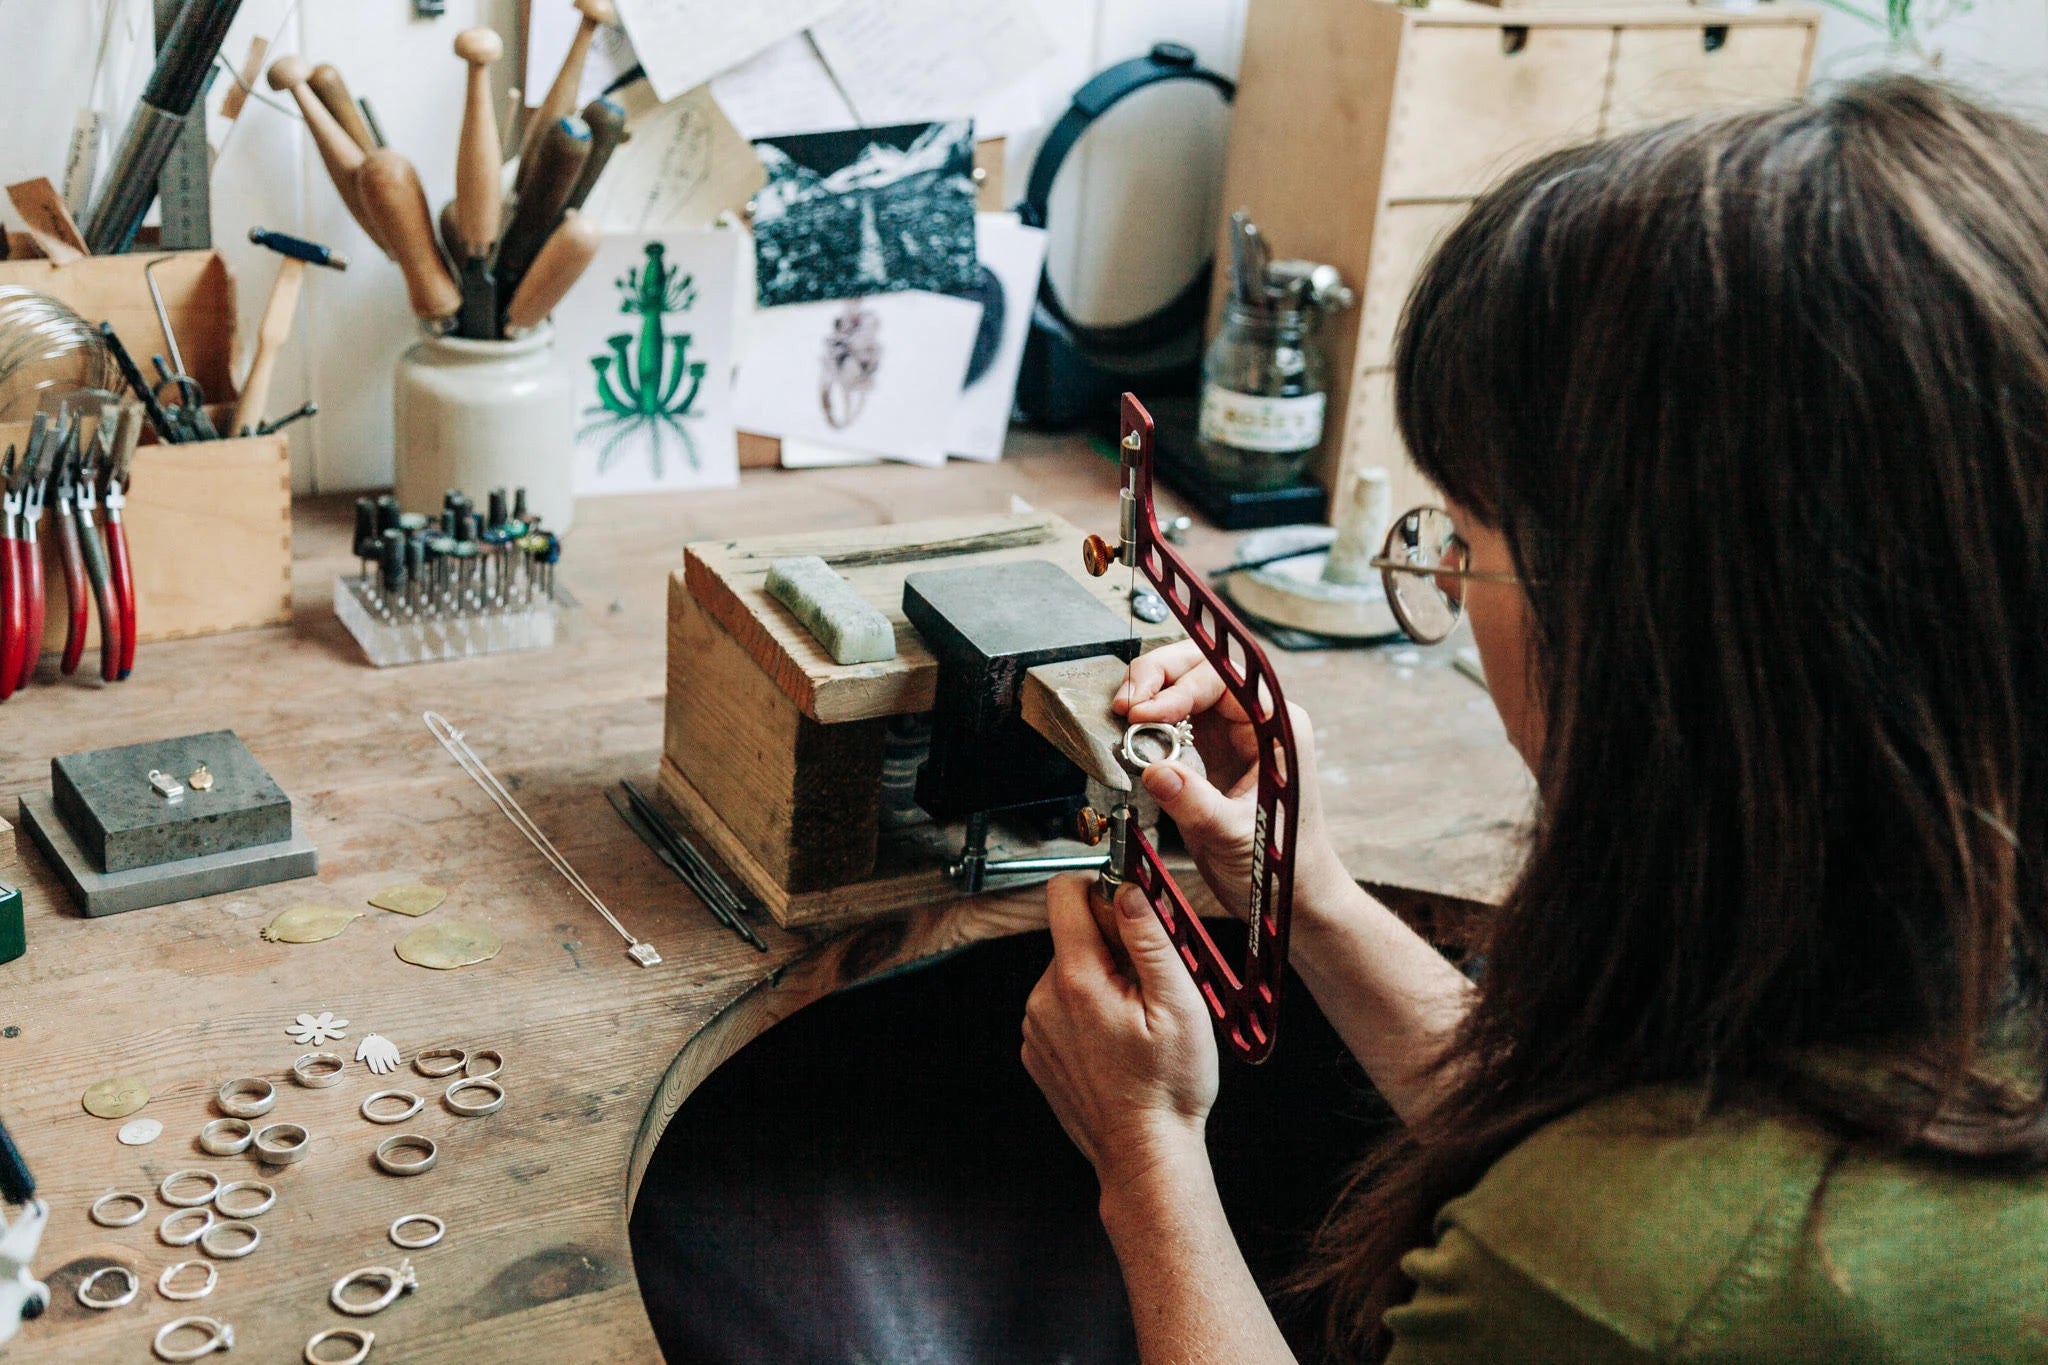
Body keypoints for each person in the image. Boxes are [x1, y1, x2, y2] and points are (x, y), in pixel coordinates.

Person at [1019, 73, 2048, 1362]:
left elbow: (1631, 1212)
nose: (1446, 580)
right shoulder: (1943, 965)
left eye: (1467, 538)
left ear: (1656, 635)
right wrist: (1310, 890)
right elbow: (1599, 1137)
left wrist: (1147, 1159)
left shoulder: (1619, 1285)